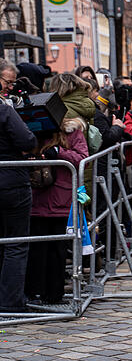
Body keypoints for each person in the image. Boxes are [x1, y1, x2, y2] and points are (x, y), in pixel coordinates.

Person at [25, 113, 89, 304]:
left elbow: (83, 158)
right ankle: (33, 292)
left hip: (60, 198)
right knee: (36, 249)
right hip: (37, 198)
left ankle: (53, 294)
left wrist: (59, 153)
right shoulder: (33, 130)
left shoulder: (72, 132)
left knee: (57, 250)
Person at [0, 96, 36, 311]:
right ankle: (10, 303)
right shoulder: (4, 111)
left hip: (10, 181)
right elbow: (27, 141)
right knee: (16, 242)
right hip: (11, 181)